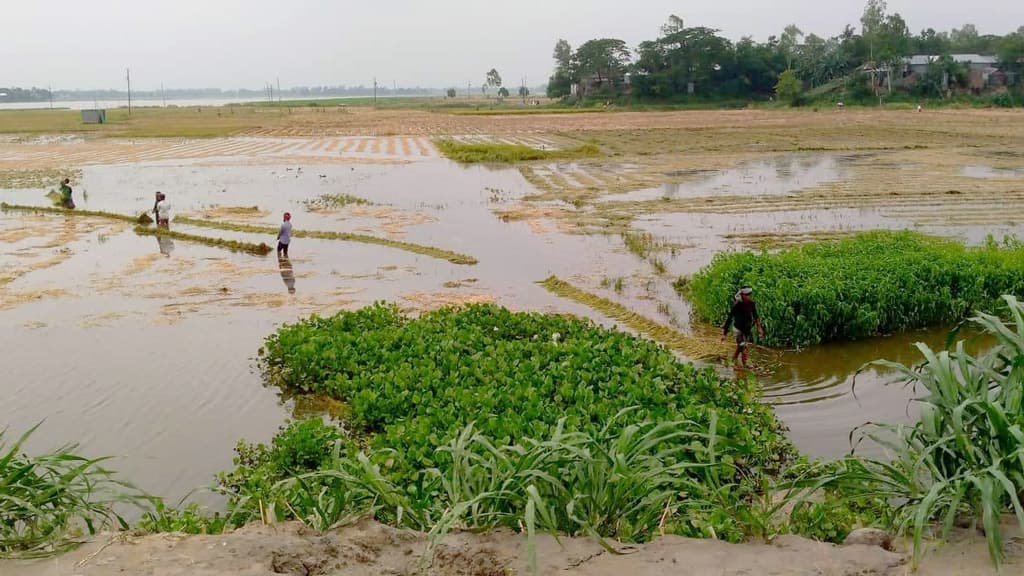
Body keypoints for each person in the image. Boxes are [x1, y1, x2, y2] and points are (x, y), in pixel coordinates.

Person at [722, 286, 765, 369]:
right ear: (742, 295)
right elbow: (729, 319)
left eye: (749, 294)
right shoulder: (737, 305)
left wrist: (759, 329)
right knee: (744, 347)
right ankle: (745, 366)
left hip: (747, 329)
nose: (748, 296)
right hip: (738, 329)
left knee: (740, 347)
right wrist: (724, 334)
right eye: (746, 295)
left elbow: (756, 317)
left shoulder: (752, 304)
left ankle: (734, 359)